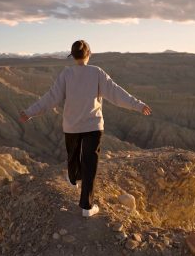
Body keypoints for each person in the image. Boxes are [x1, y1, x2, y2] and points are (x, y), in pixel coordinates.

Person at [19, 40, 152, 217]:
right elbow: (116, 93)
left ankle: (74, 179)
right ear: (89, 53)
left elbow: (50, 98)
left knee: (73, 155)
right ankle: (86, 206)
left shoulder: (66, 74)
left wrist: (30, 112)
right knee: (90, 165)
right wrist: (138, 105)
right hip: (93, 126)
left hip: (72, 126)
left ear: (72, 56)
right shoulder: (97, 73)